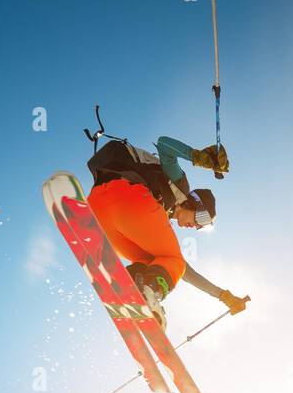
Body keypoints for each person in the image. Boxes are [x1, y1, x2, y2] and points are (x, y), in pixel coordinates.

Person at [85, 135, 248, 328]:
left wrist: (223, 296)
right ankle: (149, 294)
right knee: (175, 261)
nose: (196, 227)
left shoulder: (162, 211)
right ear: (195, 203)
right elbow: (164, 145)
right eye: (201, 219)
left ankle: (133, 290)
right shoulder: (180, 187)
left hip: (98, 209)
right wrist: (199, 157)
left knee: (153, 263)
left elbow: (180, 273)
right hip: (128, 196)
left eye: (202, 227)